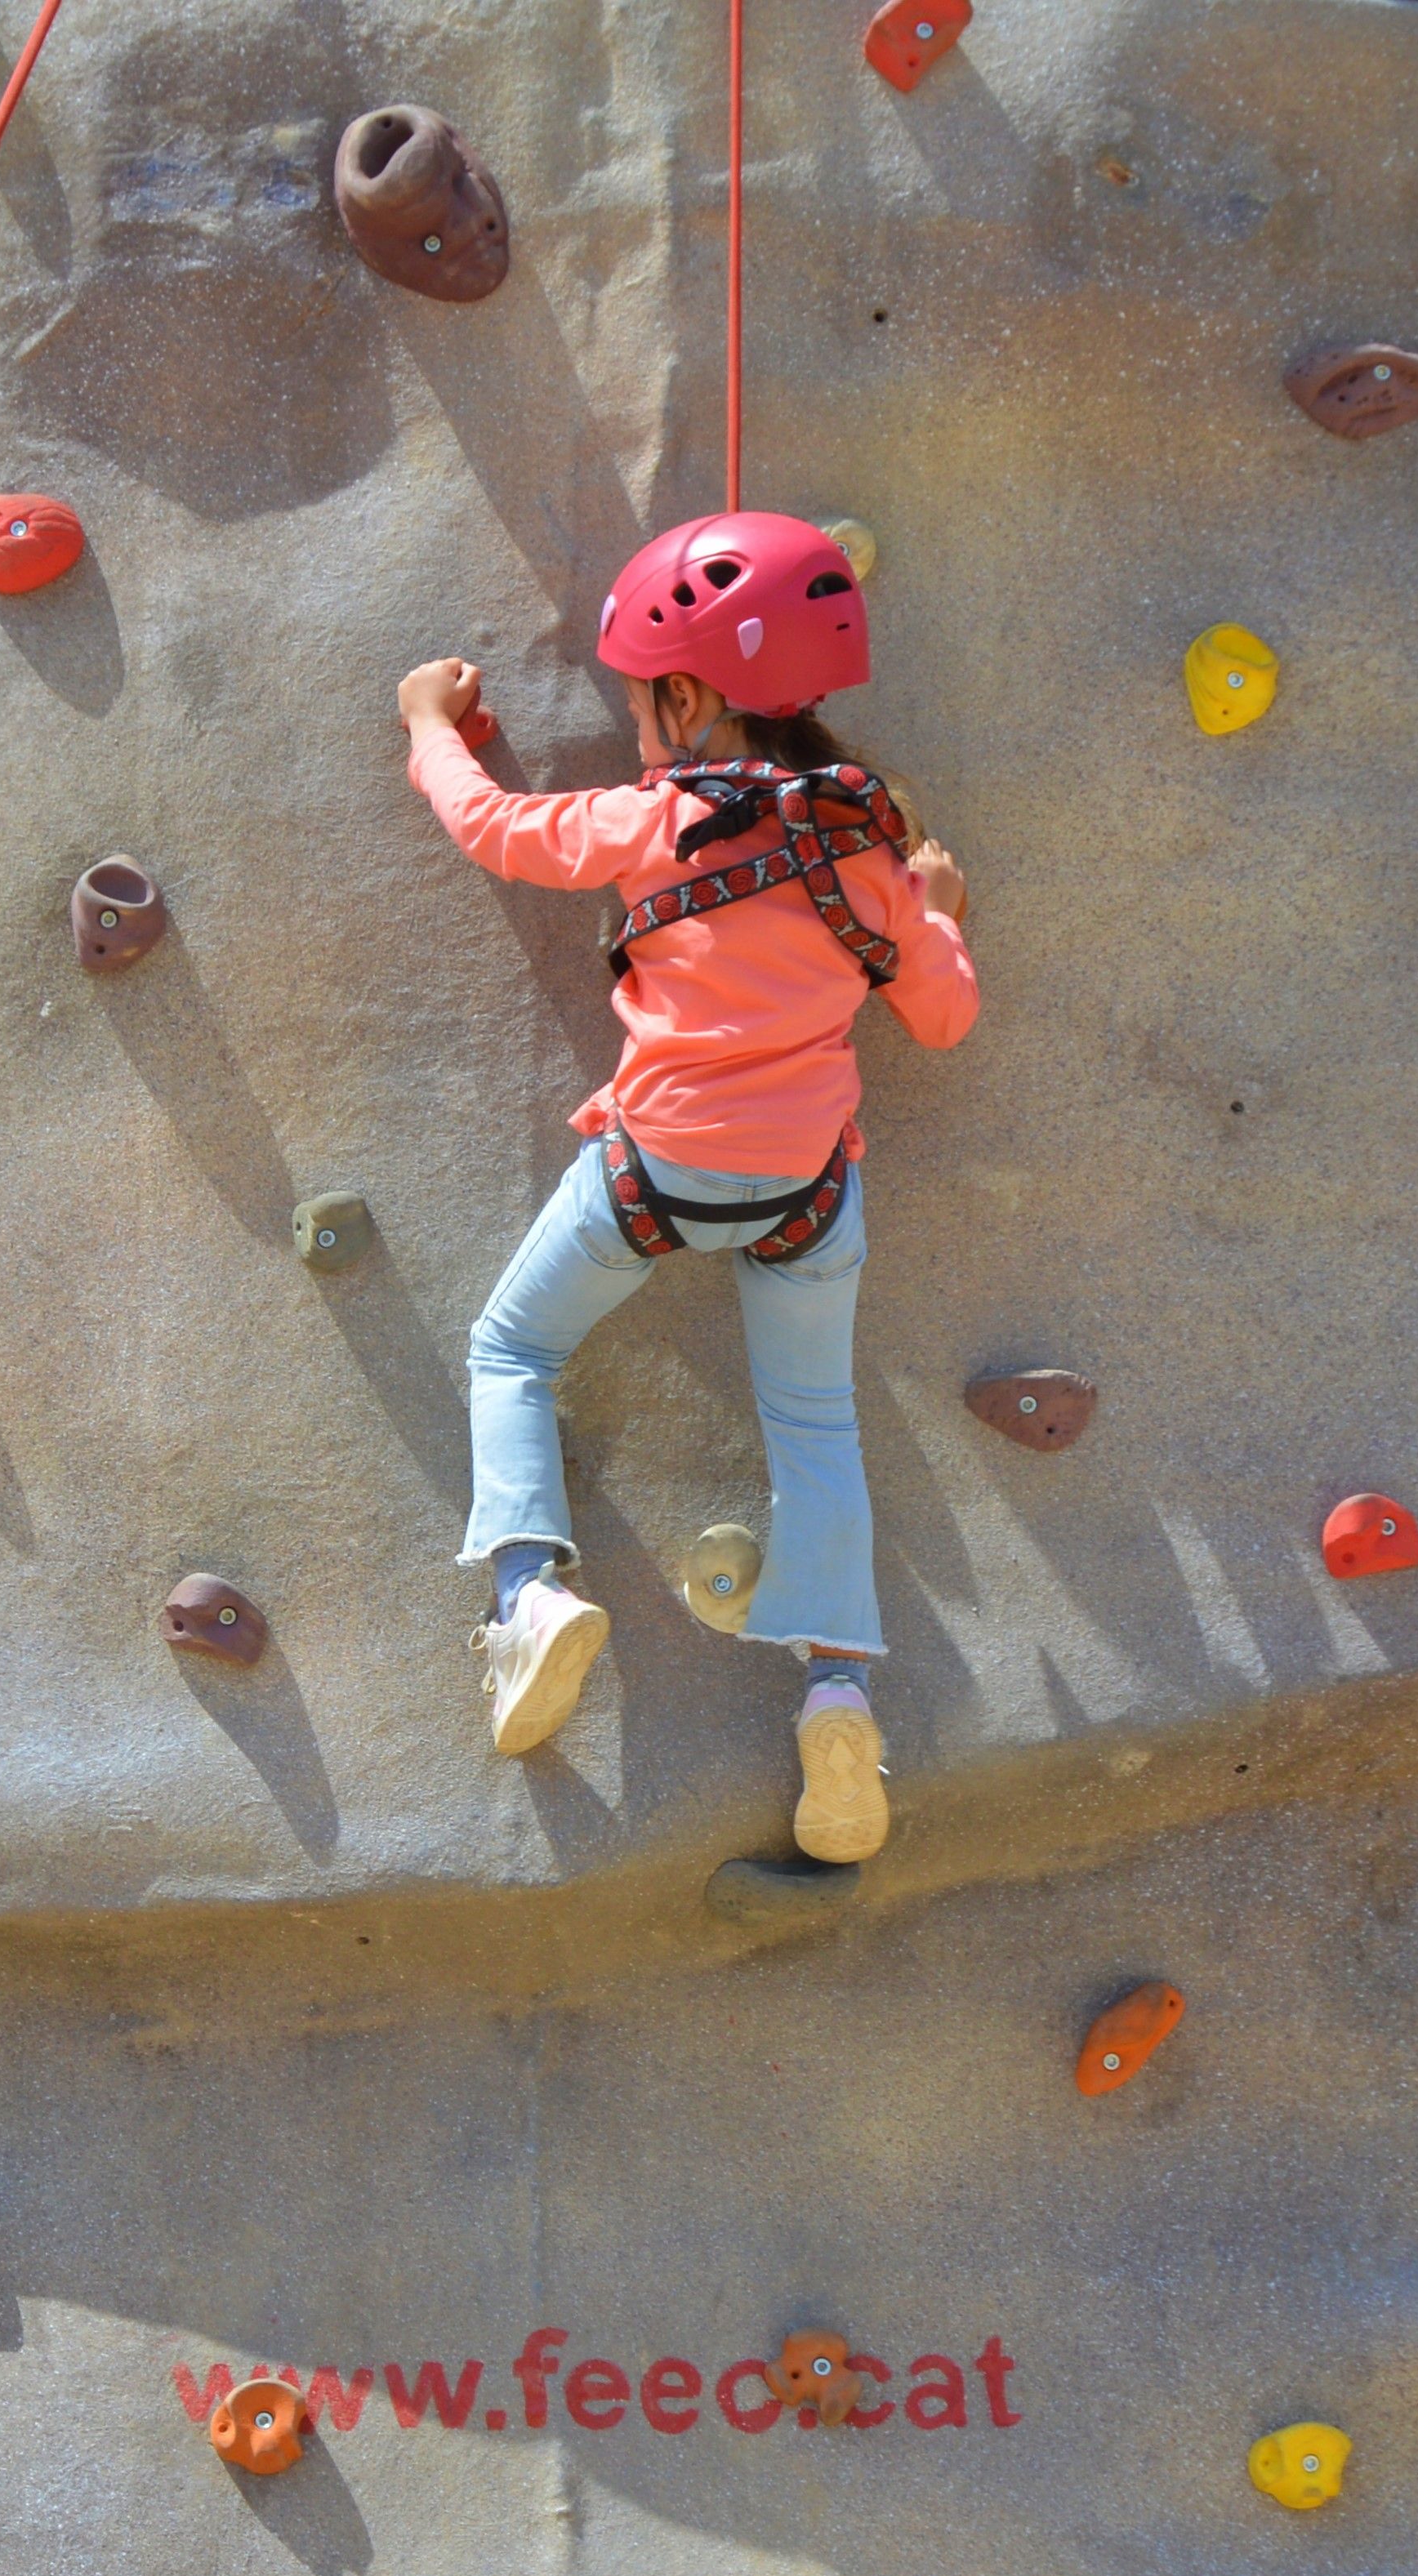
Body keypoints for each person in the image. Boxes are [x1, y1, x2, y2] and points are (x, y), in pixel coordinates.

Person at [393, 510, 979, 1865]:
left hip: (651, 1170)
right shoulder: (868, 849)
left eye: (642, 696)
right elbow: (941, 1019)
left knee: (511, 1347)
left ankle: (532, 1595)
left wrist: (431, 721)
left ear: (689, 694)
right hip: (808, 1193)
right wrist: (937, 908)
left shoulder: (648, 820)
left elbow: (490, 826)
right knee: (814, 1425)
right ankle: (837, 1693)